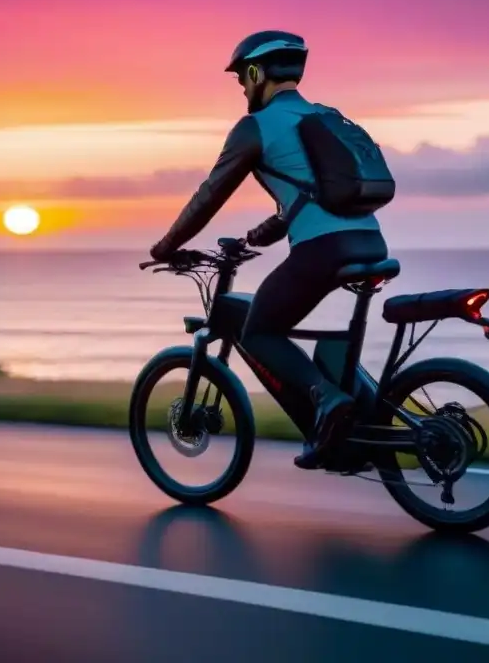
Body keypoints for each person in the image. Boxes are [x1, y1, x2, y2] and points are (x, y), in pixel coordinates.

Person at [148, 30, 390, 470]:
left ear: (257, 73)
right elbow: (316, 194)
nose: (242, 88)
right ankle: (354, 427)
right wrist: (266, 232)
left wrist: (166, 246)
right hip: (370, 240)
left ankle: (326, 399)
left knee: (258, 331)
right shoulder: (324, 116)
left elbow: (209, 196)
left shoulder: (254, 128)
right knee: (310, 334)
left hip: (324, 250)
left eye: (242, 78)